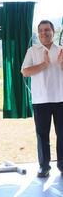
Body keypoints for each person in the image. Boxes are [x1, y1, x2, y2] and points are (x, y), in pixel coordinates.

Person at [21, 20, 63, 178]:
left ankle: (62, 165)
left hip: (61, 99)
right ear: (38, 34)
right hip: (40, 100)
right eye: (41, 31)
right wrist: (44, 64)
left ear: (53, 31)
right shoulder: (32, 51)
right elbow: (25, 72)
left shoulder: (61, 50)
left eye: (47, 30)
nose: (44, 33)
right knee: (42, 135)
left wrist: (62, 64)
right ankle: (44, 166)